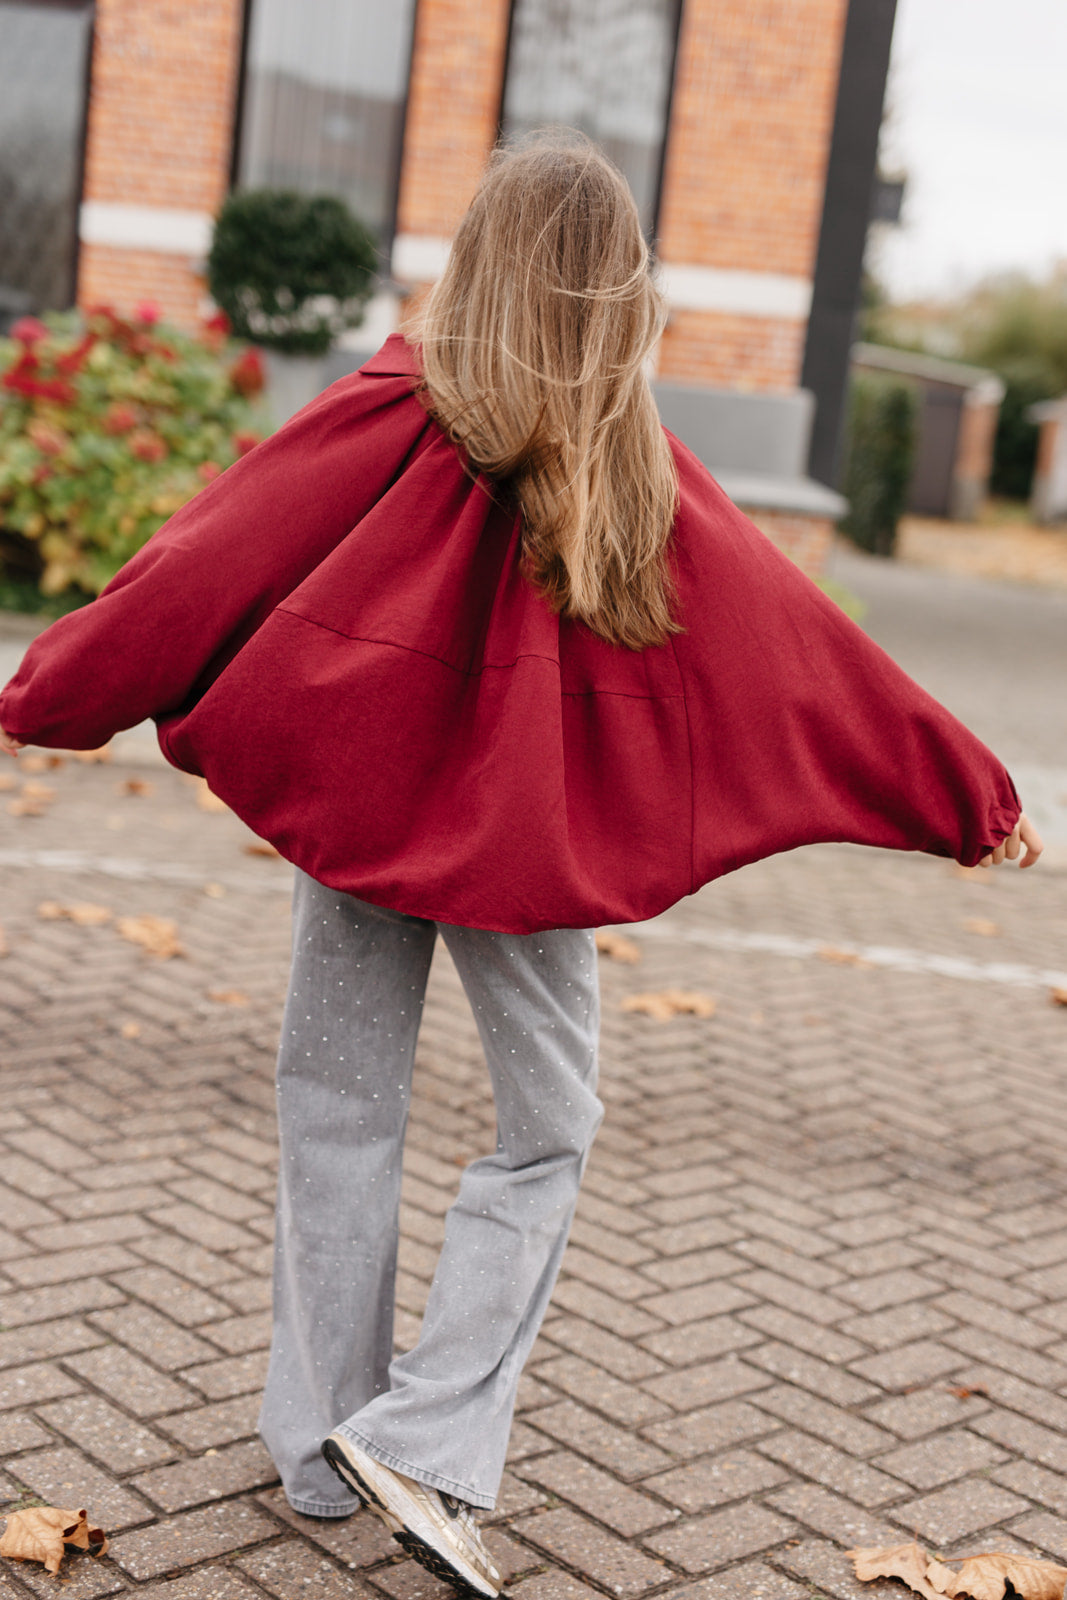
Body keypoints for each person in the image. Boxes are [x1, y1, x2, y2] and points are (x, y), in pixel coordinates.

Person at [0, 134, 1042, 1598]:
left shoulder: (393, 412)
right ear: (624, 297)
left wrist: (46, 692)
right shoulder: (634, 467)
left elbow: (206, 559)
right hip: (522, 852)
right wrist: (966, 793)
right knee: (548, 1127)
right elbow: (802, 652)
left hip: (365, 812)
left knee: (338, 1109)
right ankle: (417, 1434)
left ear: (477, 265)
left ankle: (325, 1443)